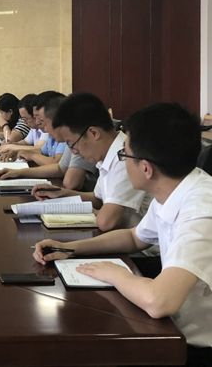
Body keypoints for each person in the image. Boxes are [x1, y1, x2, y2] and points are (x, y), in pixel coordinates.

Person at [33, 103, 212, 366]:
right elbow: (134, 237)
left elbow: (160, 301)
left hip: (196, 348)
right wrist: (70, 248)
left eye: (124, 155)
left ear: (146, 168)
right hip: (175, 331)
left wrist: (114, 273)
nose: (121, 161)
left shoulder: (200, 209)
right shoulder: (176, 188)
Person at [32, 92, 147, 232]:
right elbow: (97, 198)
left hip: (141, 245)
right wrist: (62, 193)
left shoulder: (125, 157)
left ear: (93, 133)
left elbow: (106, 222)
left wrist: (88, 211)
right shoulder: (106, 156)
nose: (74, 152)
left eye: (72, 144)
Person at [0, 93, 98, 190]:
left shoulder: (80, 137)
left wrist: (24, 164)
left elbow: (70, 183)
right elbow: (60, 168)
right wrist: (19, 172)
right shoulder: (70, 138)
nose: (39, 124)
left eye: (42, 120)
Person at [0, 91, 67, 166]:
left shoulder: (64, 135)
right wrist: (18, 152)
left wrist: (30, 155)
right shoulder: (52, 134)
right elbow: (41, 151)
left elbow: (56, 165)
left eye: (40, 119)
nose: (37, 122)